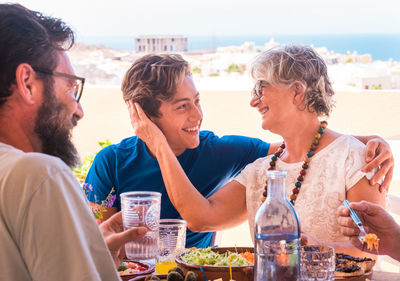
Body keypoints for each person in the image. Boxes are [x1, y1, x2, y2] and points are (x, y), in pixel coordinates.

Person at [86, 53, 394, 249]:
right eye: (183, 106)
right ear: (147, 116)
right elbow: (97, 241)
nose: (197, 115)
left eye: (197, 101)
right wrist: (156, 142)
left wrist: (369, 141)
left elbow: (307, 148)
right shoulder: (112, 162)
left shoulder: (221, 151)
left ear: (298, 92)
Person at [0, 4, 146, 280]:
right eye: (71, 87)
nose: (79, 110)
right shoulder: (39, 175)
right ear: (27, 83)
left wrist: (89, 255)